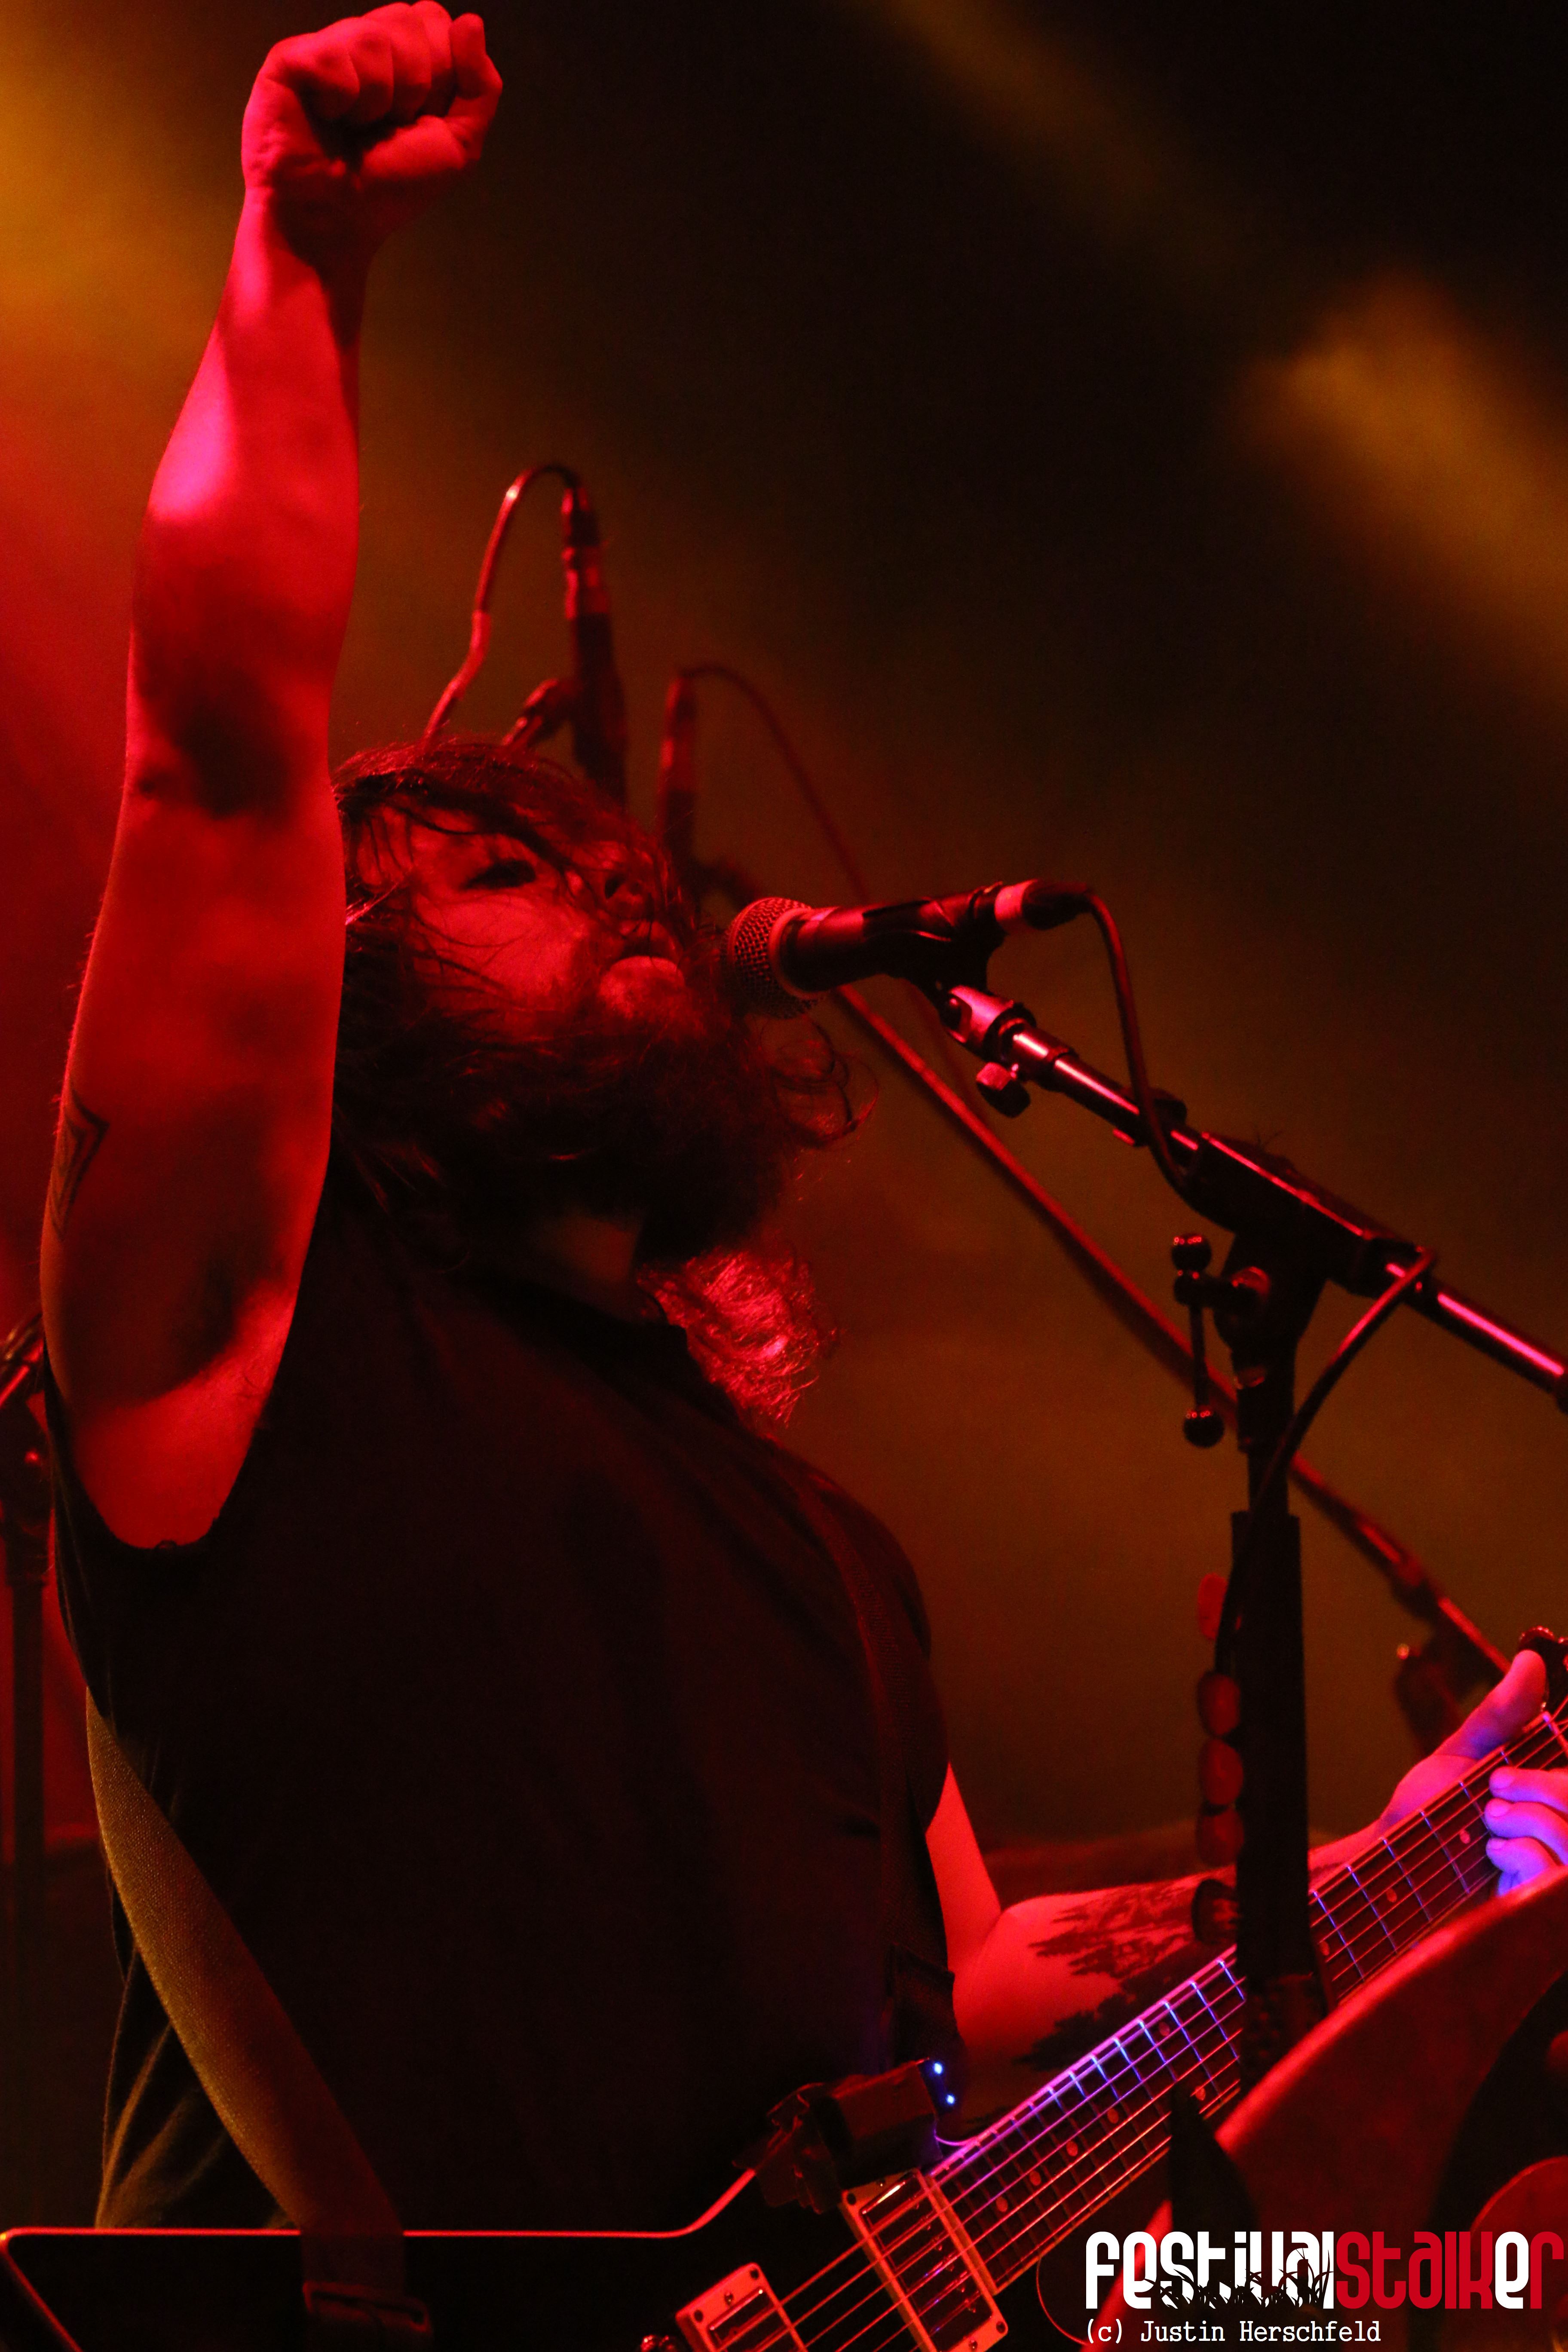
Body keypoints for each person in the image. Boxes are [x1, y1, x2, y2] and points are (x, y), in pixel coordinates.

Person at [40, 3, 1568, 2234]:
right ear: (330, 1013)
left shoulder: (826, 1559)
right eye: (503, 875)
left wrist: (1408, 1870)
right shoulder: (260, 1355)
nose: (613, 891)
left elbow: (978, 1988)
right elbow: (217, 745)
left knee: (1423, 2292)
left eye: (601, 867)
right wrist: (299, 265)